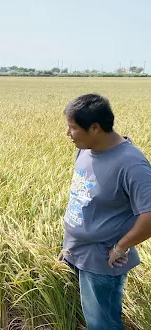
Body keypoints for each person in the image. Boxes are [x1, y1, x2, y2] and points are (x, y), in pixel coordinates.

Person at [60, 94, 151, 330]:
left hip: (101, 260)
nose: (68, 134)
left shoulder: (131, 163)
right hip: (74, 252)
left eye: (72, 128)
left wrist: (121, 247)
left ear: (95, 127)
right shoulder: (85, 150)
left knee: (102, 325)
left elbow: (149, 216)